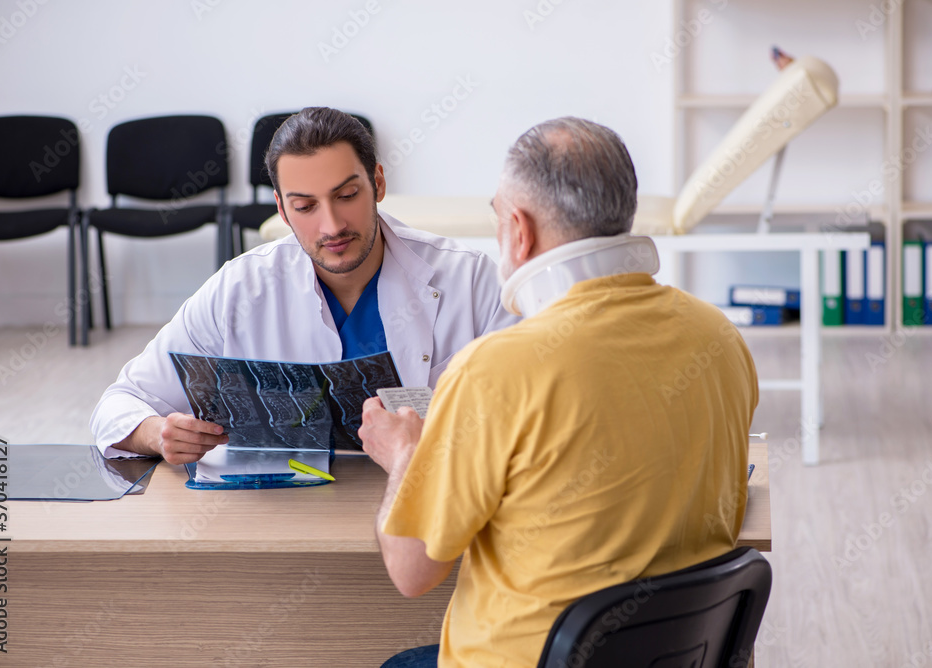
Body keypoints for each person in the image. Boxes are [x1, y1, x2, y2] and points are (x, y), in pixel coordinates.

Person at [358, 117, 759, 668]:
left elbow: (411, 572)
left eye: (496, 219)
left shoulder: (494, 369)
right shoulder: (719, 337)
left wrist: (406, 453)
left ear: (518, 232)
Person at [90, 107, 514, 464]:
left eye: (347, 195)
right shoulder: (239, 289)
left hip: (426, 504)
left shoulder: (471, 280)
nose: (331, 226)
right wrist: (156, 433)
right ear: (281, 208)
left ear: (378, 184)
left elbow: (530, 418)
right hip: (287, 513)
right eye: (305, 206)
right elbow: (119, 403)